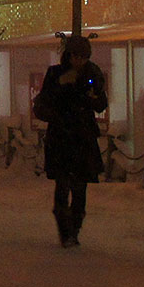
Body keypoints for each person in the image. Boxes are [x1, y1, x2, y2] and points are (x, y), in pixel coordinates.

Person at [39, 34, 108, 247]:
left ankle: (74, 229)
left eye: (83, 57)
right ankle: (65, 229)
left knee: (80, 188)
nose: (79, 61)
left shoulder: (93, 73)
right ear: (68, 55)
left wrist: (94, 97)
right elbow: (43, 103)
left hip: (82, 137)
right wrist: (61, 84)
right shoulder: (55, 74)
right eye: (75, 56)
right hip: (61, 136)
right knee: (62, 186)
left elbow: (101, 104)